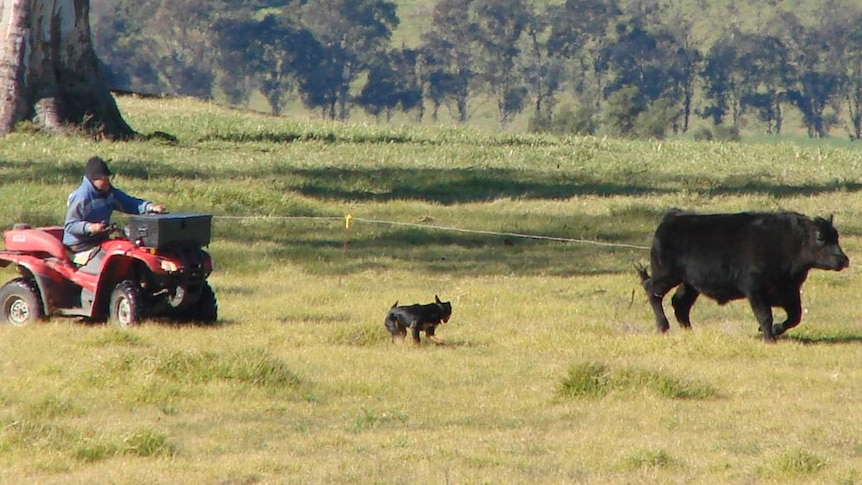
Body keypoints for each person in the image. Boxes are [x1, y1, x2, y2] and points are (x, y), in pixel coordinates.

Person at [63, 156, 166, 272]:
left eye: (108, 178)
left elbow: (129, 203)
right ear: (93, 179)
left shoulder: (109, 192)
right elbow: (70, 225)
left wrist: (149, 207)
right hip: (80, 246)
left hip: (101, 241)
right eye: (104, 179)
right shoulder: (81, 197)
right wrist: (90, 227)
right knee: (106, 268)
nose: (108, 182)